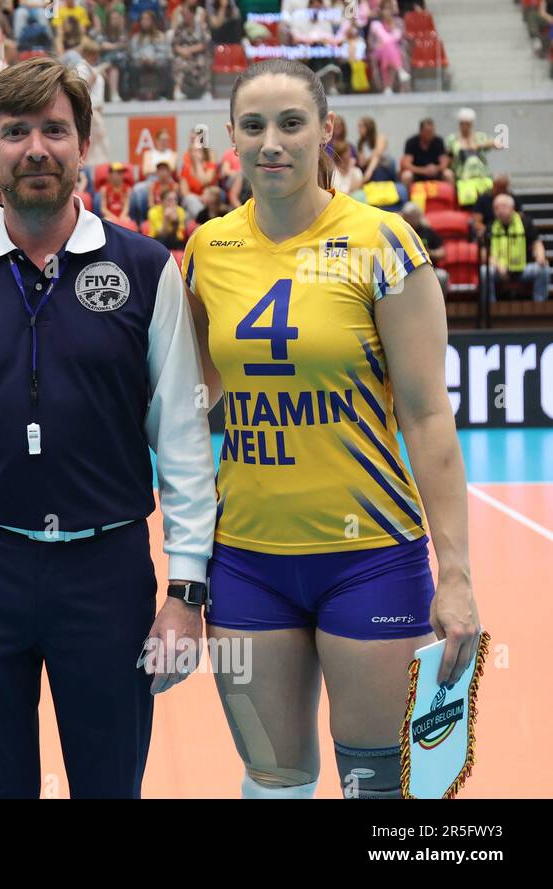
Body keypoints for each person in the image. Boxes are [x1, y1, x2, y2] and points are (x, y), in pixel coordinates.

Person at [0, 57, 215, 798]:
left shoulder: (144, 267)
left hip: (109, 573)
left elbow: (184, 440)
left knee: (110, 783)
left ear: (83, 144)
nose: (36, 148)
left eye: (55, 130)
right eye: (16, 132)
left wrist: (186, 591)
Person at [181, 59, 481, 800]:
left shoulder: (384, 245)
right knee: (272, 776)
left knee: (374, 785)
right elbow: (190, 401)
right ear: (232, 138)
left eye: (291, 124)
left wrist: (458, 575)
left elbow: (427, 414)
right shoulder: (208, 249)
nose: (272, 143)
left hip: (370, 556)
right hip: (248, 561)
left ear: (326, 131)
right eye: (254, 126)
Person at [484, 194, 549, 303]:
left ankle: (539, 304)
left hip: (523, 269)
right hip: (500, 271)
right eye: (496, 208)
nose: (500, 210)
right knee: (484, 272)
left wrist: (540, 257)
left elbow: (536, 243)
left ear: (512, 207)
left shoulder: (525, 223)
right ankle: (490, 307)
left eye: (503, 207)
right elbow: (485, 252)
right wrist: (498, 266)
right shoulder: (490, 227)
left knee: (543, 269)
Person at [400, 117, 453, 188]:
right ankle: (407, 198)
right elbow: (406, 164)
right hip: (417, 173)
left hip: (435, 172)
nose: (430, 134)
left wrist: (436, 169)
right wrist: (423, 170)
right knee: (406, 175)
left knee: (448, 174)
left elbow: (444, 162)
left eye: (432, 131)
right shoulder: (411, 142)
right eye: (427, 132)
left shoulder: (439, 141)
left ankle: (451, 197)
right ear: (421, 131)